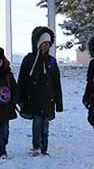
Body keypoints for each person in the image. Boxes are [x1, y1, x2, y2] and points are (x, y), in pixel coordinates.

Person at [17, 27, 63, 156]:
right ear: (37, 43)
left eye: (48, 44)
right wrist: (19, 98)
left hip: (48, 99)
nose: (45, 46)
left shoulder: (52, 61)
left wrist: (59, 102)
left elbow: (56, 83)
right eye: (43, 43)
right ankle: (36, 146)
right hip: (33, 99)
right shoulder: (29, 60)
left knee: (45, 125)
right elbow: (22, 80)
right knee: (37, 123)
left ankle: (44, 148)